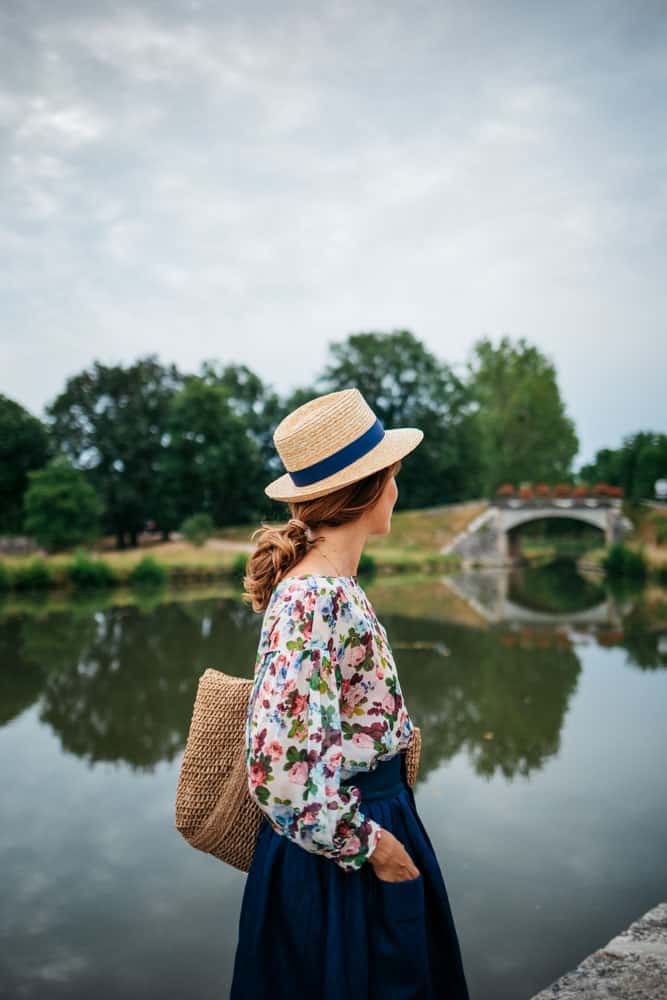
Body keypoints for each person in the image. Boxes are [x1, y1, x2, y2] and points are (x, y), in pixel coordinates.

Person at [230, 388, 470, 1000]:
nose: (397, 487)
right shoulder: (311, 597)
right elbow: (279, 775)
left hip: (364, 827)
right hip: (341, 856)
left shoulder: (333, 585)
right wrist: (375, 847)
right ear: (369, 490)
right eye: (392, 475)